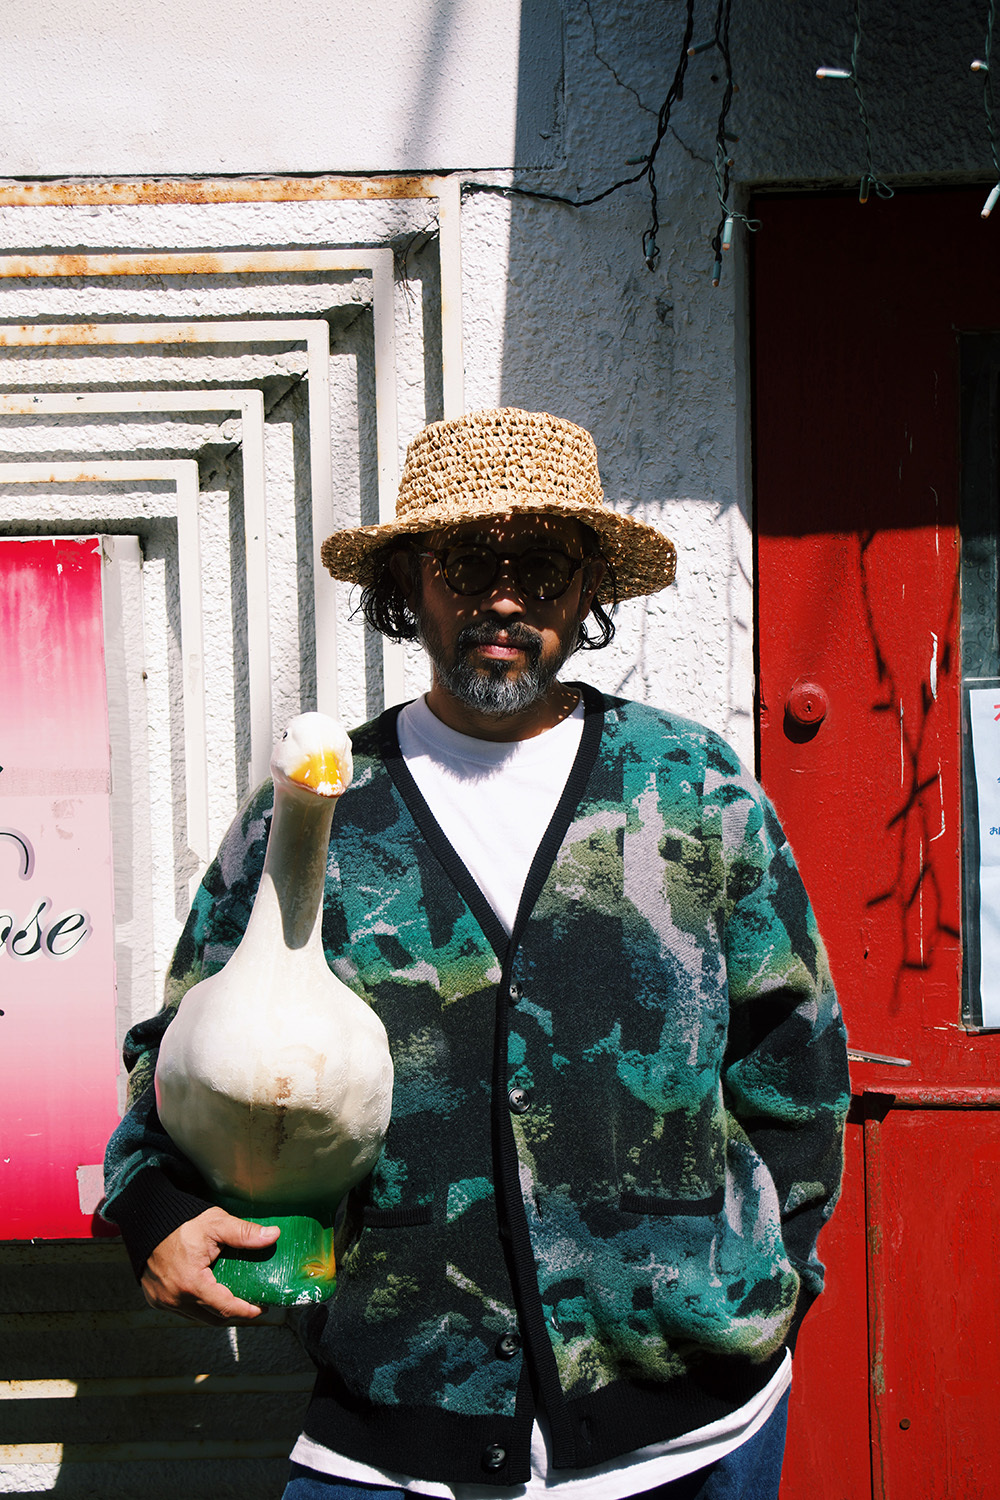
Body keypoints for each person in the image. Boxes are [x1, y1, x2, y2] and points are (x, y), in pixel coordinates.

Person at [103, 407, 850, 1500]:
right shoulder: (318, 808)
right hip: (399, 1422)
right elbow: (179, 1050)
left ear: (587, 589)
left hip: (695, 1430)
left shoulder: (689, 786)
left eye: (541, 566)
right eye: (465, 562)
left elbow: (795, 1057)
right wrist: (152, 1210)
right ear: (409, 584)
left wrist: (768, 1288)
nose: (503, 597)